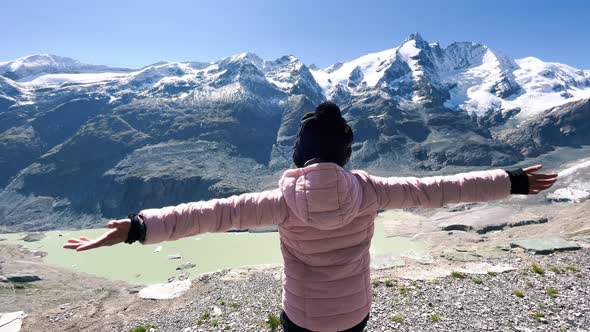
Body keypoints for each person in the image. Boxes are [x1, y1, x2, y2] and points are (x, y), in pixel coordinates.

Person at [64, 102, 558, 331]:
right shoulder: (372, 191)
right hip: (352, 313)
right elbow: (443, 189)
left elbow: (206, 215)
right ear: (344, 155)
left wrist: (139, 227)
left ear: (299, 155)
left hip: (301, 314)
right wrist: (512, 179)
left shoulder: (277, 201)